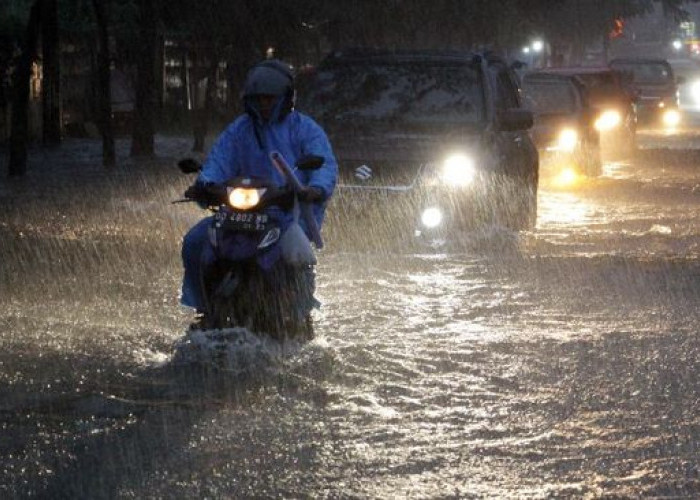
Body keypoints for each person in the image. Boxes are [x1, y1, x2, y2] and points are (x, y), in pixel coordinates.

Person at [180, 58, 338, 315]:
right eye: (259, 99)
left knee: (294, 254)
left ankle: (297, 313)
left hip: (287, 213)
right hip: (238, 213)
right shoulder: (239, 130)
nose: (264, 104)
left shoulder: (305, 129)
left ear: (285, 98)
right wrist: (204, 184)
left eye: (269, 98)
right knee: (195, 241)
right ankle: (204, 307)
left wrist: (315, 188)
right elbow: (220, 160)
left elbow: (324, 164)